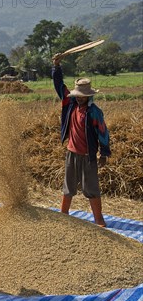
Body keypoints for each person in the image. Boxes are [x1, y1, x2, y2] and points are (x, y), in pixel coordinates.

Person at [52, 54, 111, 226]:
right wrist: (56, 66)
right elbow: (59, 86)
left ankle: (99, 220)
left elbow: (103, 132)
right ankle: (64, 215)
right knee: (68, 187)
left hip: (87, 155)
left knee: (91, 188)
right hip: (72, 153)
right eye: (77, 95)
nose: (79, 98)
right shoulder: (70, 105)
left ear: (89, 96)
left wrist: (104, 153)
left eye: (82, 96)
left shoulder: (94, 112)